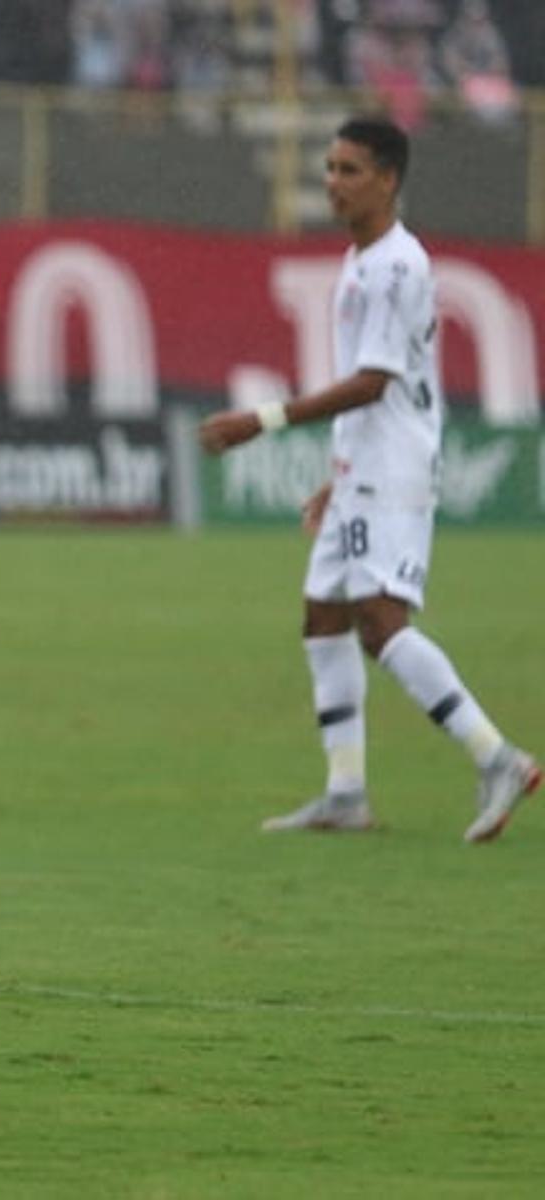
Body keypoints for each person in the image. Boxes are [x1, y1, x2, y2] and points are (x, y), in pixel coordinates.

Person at [199, 116, 538, 844]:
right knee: (324, 614)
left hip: (396, 467)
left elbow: (374, 383)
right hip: (366, 467)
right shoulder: (360, 261)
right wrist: (337, 474)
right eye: (329, 167)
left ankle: (499, 757)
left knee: (382, 624)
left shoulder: (394, 266)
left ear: (388, 178)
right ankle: (346, 793)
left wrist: (261, 419)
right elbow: (372, 383)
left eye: (350, 169)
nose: (334, 182)